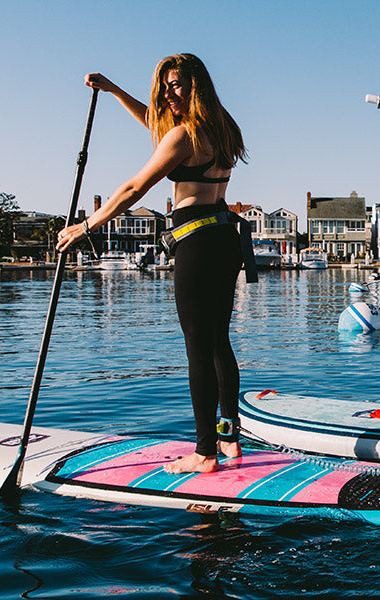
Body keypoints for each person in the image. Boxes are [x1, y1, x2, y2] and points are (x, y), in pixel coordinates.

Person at [56, 53, 249, 473]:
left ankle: (204, 453)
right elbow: (158, 126)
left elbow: (132, 188)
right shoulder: (223, 127)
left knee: (198, 346)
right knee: (218, 342)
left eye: (176, 84)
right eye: (164, 86)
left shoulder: (184, 136)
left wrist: (84, 226)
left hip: (196, 244)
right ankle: (229, 439)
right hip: (225, 240)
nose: (167, 93)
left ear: (196, 84)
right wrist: (115, 92)